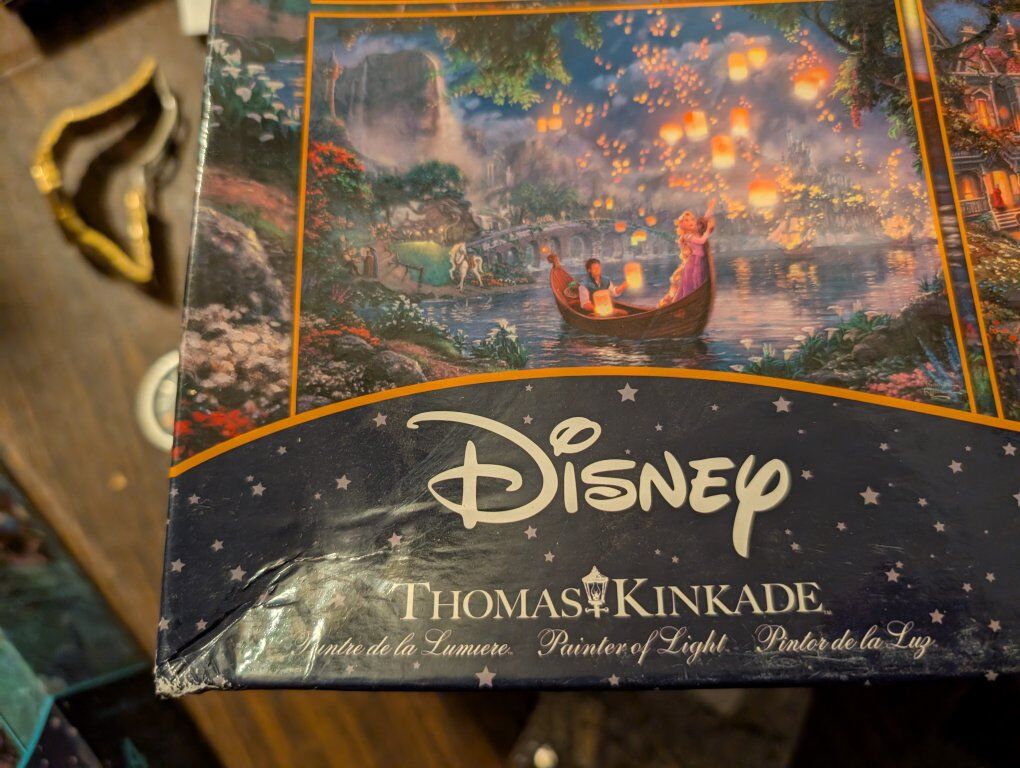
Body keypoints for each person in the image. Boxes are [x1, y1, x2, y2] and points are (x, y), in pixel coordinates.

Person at [661, 200, 715, 306]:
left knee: (698, 281)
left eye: (692, 219)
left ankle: (697, 303)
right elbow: (701, 241)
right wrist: (708, 231)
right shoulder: (687, 236)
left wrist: (710, 208)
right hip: (694, 263)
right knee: (692, 284)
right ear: (682, 225)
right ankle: (687, 305)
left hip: (700, 261)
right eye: (686, 220)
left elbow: (704, 220)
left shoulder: (696, 232)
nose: (691, 222)